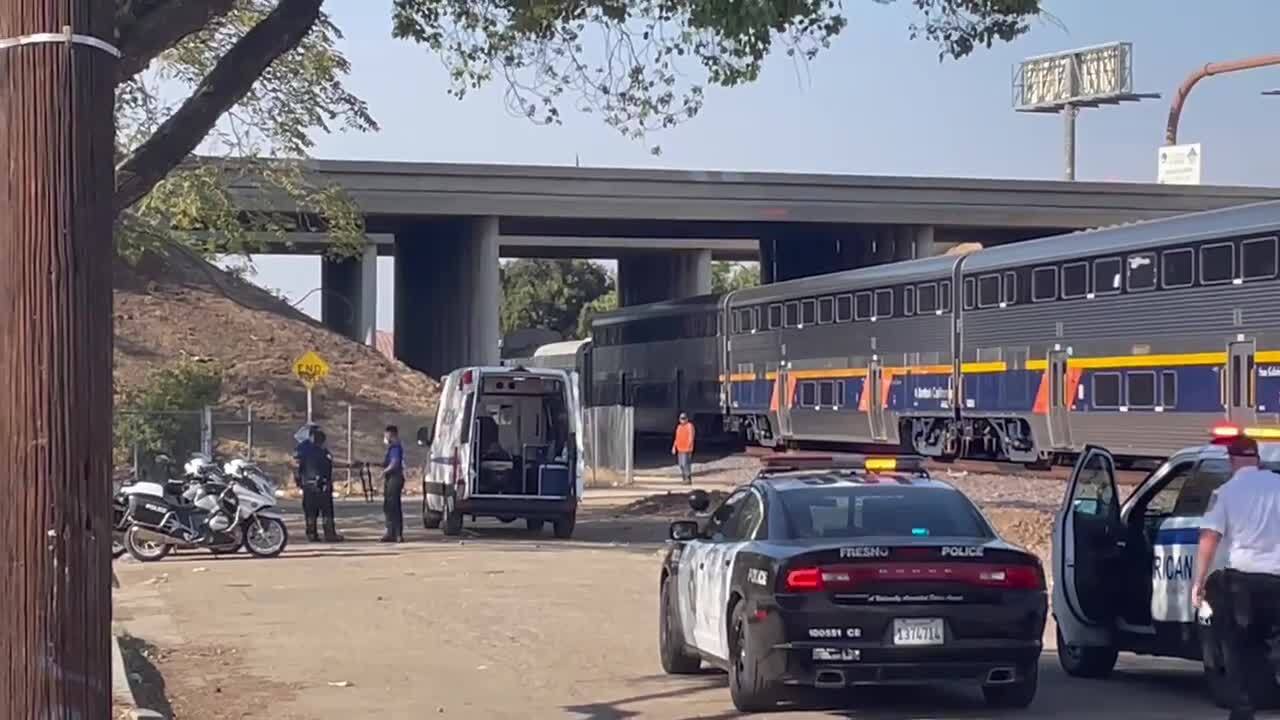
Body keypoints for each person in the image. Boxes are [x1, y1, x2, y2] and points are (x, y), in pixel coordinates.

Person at [1191, 435, 1280, 720]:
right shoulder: (1278, 486)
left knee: (1239, 647)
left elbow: (1209, 537)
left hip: (1243, 582)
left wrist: (1199, 581)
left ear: (1231, 461)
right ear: (1257, 459)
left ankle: (1243, 709)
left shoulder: (1225, 492)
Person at [298, 429, 343, 543]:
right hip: (322, 486)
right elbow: (329, 467)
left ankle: (311, 534)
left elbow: (299, 468)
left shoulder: (305, 452)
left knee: (310, 511)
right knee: (326, 511)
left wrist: (300, 483)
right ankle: (329, 534)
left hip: (308, 485)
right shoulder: (324, 453)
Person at [381, 425, 406, 543]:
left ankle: (396, 533)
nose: (385, 437)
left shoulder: (396, 448)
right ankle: (390, 532)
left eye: (386, 435)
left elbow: (395, 463)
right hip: (391, 478)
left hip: (394, 479)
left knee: (393, 506)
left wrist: (384, 472)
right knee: (388, 506)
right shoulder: (392, 448)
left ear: (392, 435)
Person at [671, 413, 695, 485]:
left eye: (684, 418)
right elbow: (677, 438)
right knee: (681, 464)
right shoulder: (679, 427)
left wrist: (689, 445)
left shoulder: (689, 426)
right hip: (680, 448)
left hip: (687, 449)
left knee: (685, 464)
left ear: (687, 419)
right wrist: (674, 447)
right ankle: (684, 478)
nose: (682, 420)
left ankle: (688, 479)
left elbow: (691, 436)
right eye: (681, 418)